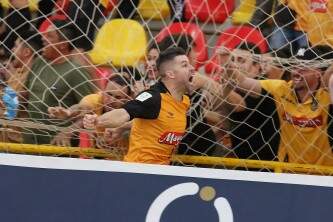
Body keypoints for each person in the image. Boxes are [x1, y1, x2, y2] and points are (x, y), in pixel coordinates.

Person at [83, 47, 194, 164]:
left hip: (161, 172)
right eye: (185, 65)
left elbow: (152, 119)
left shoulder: (184, 101)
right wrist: (97, 121)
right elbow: (124, 113)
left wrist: (121, 128)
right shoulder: (153, 98)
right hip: (139, 171)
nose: (192, 68)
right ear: (170, 74)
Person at [225, 46, 333, 166]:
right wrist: (226, 62)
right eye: (294, 66)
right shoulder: (281, 89)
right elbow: (241, 81)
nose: (296, 72)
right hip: (288, 172)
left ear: (318, 73)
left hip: (325, 174)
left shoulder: (327, 96)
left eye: (303, 68)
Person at [23, 20, 96, 145]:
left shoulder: (77, 72)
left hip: (57, 146)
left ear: (63, 44)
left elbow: (90, 111)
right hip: (29, 140)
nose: (43, 38)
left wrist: (68, 132)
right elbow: (26, 94)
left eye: (49, 36)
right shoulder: (39, 62)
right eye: (44, 35)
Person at [48, 73, 133, 157]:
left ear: (127, 99)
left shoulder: (132, 110)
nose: (111, 100)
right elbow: (83, 108)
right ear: (103, 92)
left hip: (124, 159)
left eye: (118, 97)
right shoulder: (96, 99)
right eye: (109, 94)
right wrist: (68, 112)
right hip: (97, 157)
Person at [0, 30, 43, 143]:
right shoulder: (17, 73)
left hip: (19, 143)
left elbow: (11, 109)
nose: (12, 50)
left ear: (27, 52)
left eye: (16, 46)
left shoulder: (34, 76)